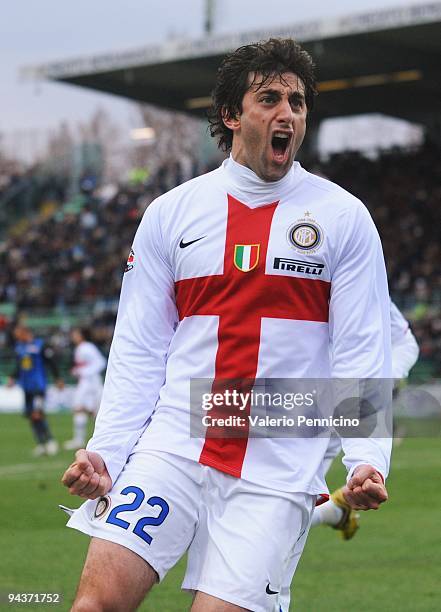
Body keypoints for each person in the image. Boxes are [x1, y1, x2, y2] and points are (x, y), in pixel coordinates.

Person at [62, 38, 392, 612]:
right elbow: (140, 347)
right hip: (175, 442)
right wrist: (106, 453)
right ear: (232, 115)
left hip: (278, 464)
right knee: (95, 604)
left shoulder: (344, 218)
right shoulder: (171, 213)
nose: (287, 112)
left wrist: (367, 458)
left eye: (297, 101)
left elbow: (362, 347)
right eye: (269, 98)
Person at [276, 300, 419, 612]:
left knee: (278, 509)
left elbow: (405, 342)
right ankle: (333, 510)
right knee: (271, 509)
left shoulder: (355, 274)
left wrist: (378, 385)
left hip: (329, 409)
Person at [8, 322, 61, 456]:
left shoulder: (40, 345)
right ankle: (41, 444)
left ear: (25, 332)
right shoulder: (20, 347)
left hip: (38, 385)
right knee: (31, 415)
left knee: (38, 413)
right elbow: (19, 366)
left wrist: (57, 378)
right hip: (26, 386)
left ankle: (50, 441)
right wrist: (13, 378)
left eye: (18, 334)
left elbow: (51, 362)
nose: (16, 337)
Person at [64, 328, 106, 451]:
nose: (73, 336)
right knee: (86, 411)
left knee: (83, 409)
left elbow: (101, 362)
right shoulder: (81, 348)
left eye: (76, 334)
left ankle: (82, 440)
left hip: (90, 384)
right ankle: (81, 440)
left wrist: (82, 371)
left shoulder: (87, 347)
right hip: (88, 383)